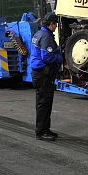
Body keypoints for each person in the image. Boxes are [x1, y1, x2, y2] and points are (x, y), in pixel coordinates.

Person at [30, 13, 63, 141]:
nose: (56, 27)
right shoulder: (46, 37)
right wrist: (59, 57)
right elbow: (47, 56)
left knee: (44, 103)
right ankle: (41, 132)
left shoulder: (38, 34)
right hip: (43, 75)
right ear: (51, 24)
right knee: (44, 104)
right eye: (55, 25)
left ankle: (45, 129)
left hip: (39, 74)